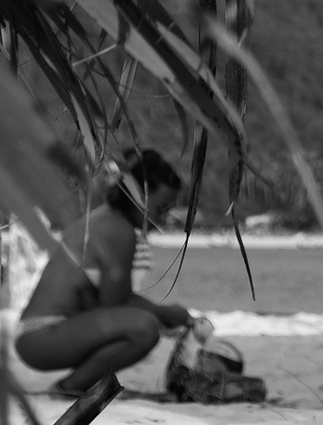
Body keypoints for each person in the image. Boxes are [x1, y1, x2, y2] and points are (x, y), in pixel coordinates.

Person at [15, 150, 196, 395]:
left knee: (144, 322)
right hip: (43, 336)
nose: (163, 218)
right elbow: (114, 304)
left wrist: (164, 313)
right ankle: (69, 388)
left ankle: (74, 386)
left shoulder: (104, 218)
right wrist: (167, 312)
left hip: (35, 334)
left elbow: (109, 302)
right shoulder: (119, 231)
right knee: (145, 328)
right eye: (161, 208)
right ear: (139, 197)